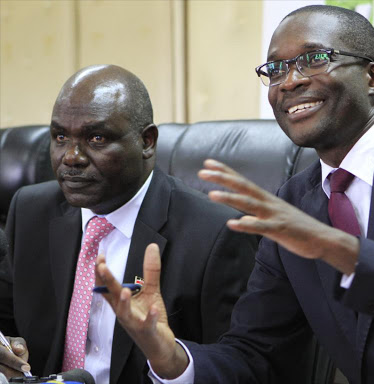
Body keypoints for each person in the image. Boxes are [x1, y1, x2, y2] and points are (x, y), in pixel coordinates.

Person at [96, 5, 374, 384]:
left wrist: (343, 251)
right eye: (275, 69)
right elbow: (256, 353)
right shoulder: (294, 202)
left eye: (313, 59)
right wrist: (171, 358)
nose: (289, 82)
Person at [0, 65, 258, 384]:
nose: (71, 157)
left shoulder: (215, 235)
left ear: (146, 141)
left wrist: (173, 359)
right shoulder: (30, 210)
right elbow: (7, 319)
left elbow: (243, 367)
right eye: (60, 137)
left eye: (96, 138)